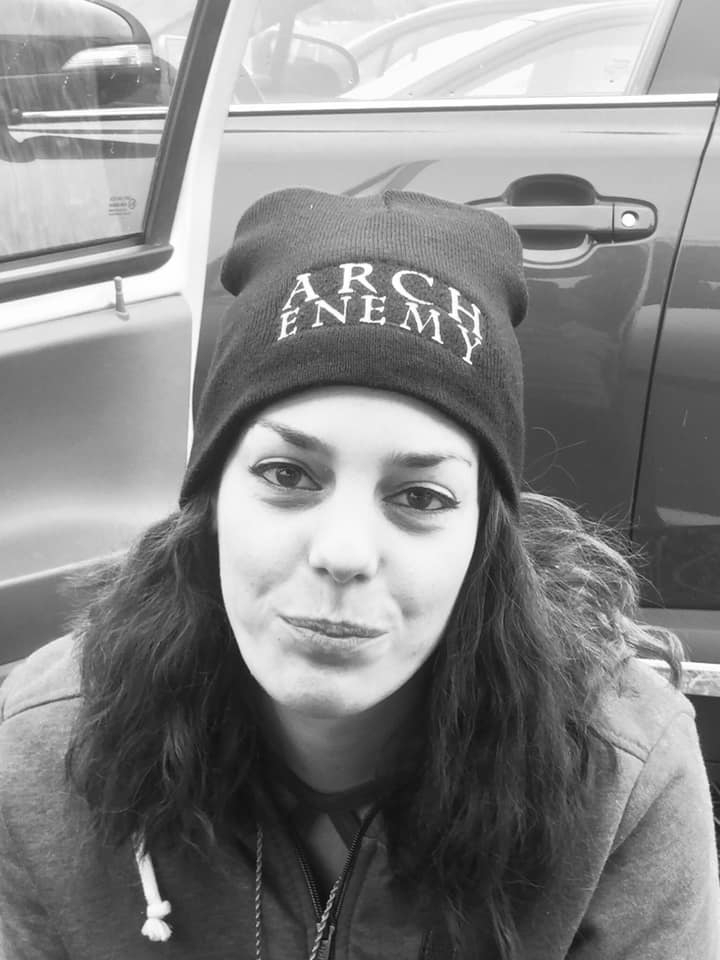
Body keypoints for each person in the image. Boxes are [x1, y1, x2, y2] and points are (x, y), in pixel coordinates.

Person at [0, 188, 718, 960]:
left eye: (420, 496)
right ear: (208, 503)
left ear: (485, 540)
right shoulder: (47, 748)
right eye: (287, 474)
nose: (343, 552)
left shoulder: (620, 776)